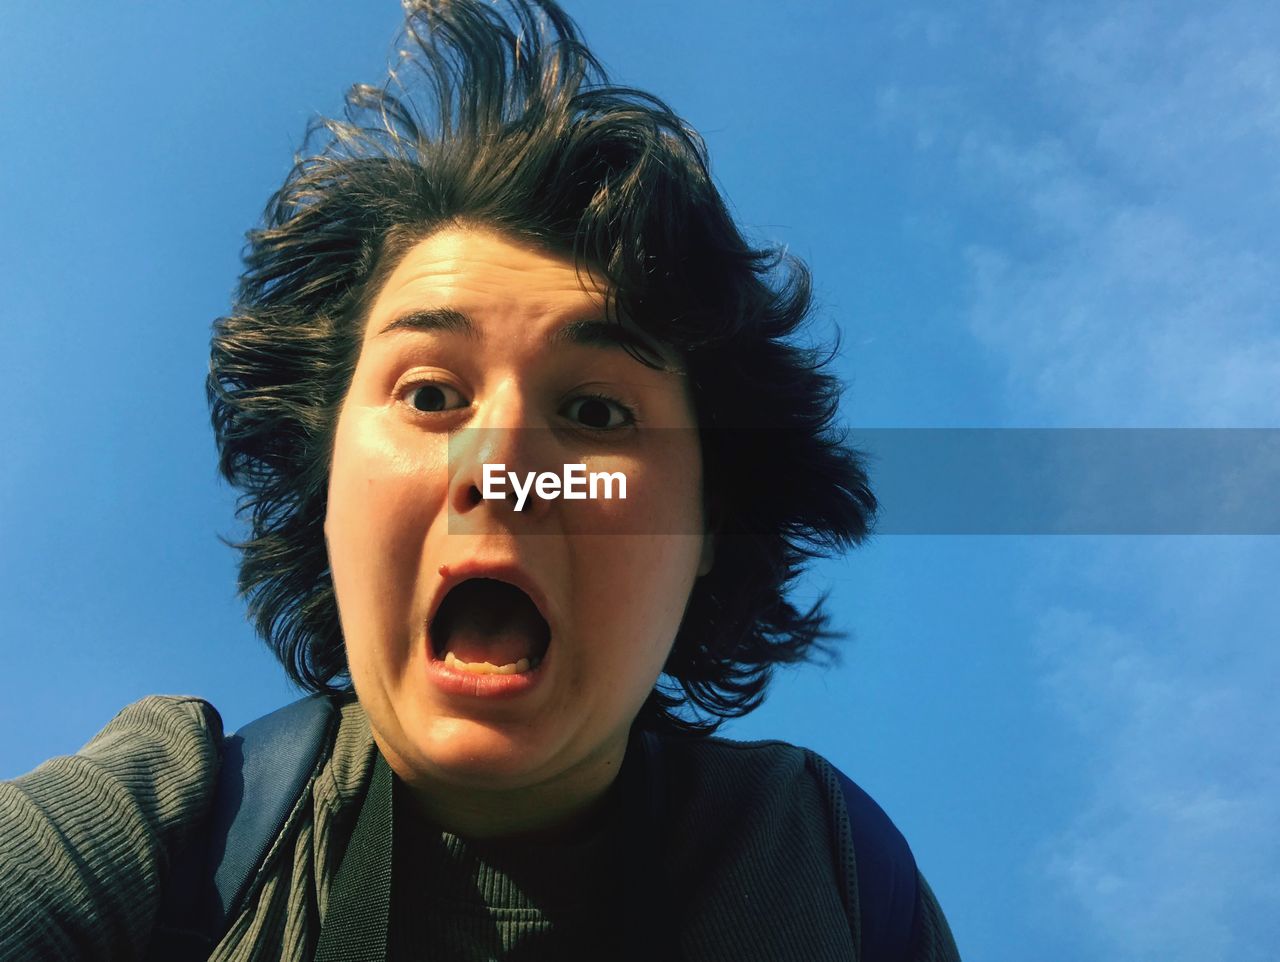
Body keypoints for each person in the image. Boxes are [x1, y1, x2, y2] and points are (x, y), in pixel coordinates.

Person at [0, 1, 961, 959]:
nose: (500, 469)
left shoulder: (824, 869)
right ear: (328, 477)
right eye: (428, 396)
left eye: (596, 413)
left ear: (708, 525)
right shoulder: (162, 820)